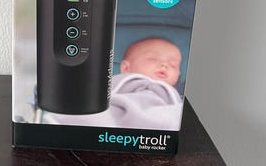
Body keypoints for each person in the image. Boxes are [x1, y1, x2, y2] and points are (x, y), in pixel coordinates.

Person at [42, 37, 184, 130]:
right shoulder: (119, 82)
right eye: (152, 59)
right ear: (126, 68)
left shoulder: (177, 99)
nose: (164, 65)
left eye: (173, 64)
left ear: (178, 76)